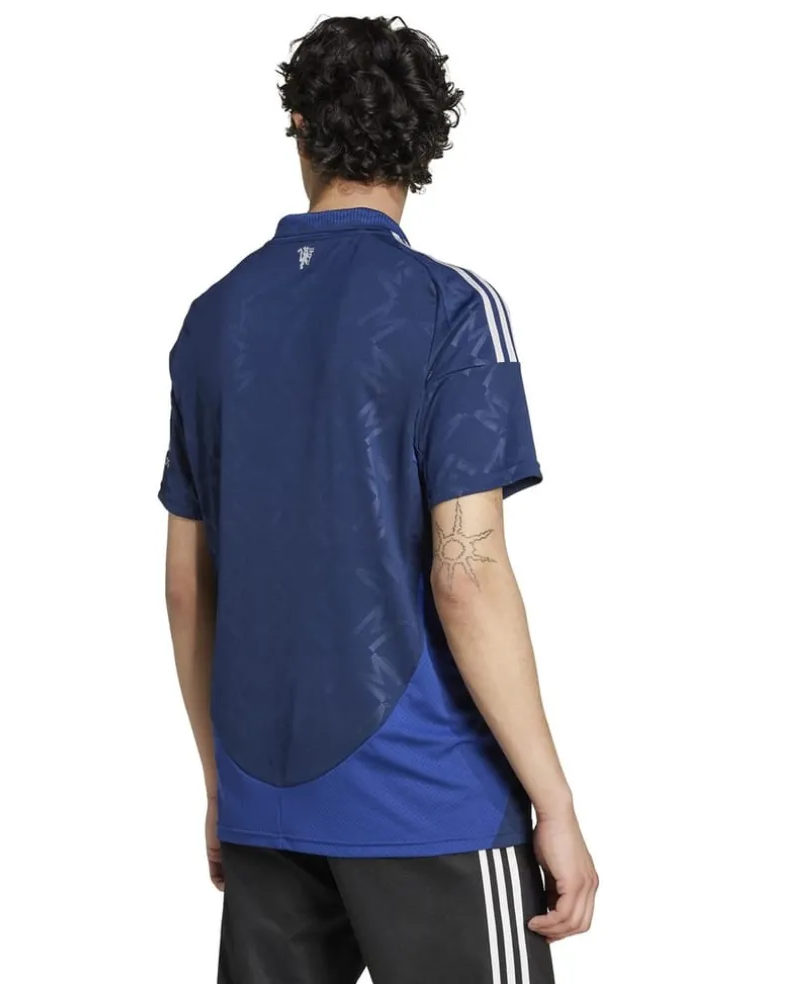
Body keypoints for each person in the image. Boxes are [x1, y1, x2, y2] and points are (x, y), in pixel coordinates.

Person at [160, 15, 597, 983]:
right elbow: (466, 573)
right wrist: (555, 802)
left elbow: (188, 586)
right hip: (430, 802)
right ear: (424, 144)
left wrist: (220, 783)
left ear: (299, 127)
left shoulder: (211, 321)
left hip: (266, 806)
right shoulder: (451, 309)